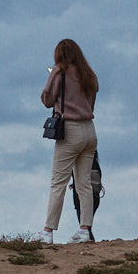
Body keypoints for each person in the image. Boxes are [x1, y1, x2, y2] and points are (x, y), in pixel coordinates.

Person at [40, 38, 99, 244]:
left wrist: (53, 75)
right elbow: (92, 102)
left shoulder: (60, 72)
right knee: (84, 183)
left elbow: (47, 99)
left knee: (58, 182)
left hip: (70, 129)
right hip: (89, 129)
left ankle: (48, 231)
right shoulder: (88, 75)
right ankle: (85, 228)